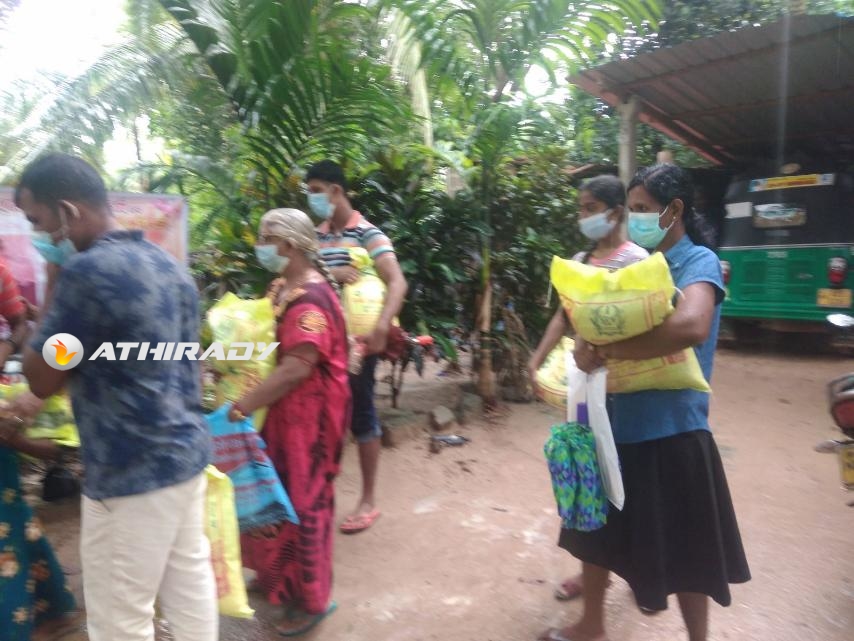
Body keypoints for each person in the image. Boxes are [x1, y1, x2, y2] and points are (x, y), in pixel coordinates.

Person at [539, 164, 750, 641]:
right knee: (596, 533)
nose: (633, 218)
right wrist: (583, 348)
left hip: (672, 429)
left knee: (688, 551)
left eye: (641, 209)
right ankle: (592, 624)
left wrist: (608, 348)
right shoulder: (634, 265)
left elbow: (692, 325)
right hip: (613, 422)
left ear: (674, 210)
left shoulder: (698, 262)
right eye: (631, 209)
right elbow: (587, 318)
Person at [16, 153, 218, 641]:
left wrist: (53, 278)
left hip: (130, 475)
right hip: (185, 459)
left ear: (68, 212)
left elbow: (42, 376)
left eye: (38, 222)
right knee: (190, 593)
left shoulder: (86, 275)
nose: (38, 236)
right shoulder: (167, 267)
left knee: (119, 620)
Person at [527, 175, 647, 602]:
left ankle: (636, 572)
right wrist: (536, 359)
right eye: (580, 208)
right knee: (587, 479)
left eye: (590, 208)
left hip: (623, 391)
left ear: (616, 212)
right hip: (582, 387)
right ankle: (592, 572)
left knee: (626, 482)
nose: (582, 216)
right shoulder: (579, 260)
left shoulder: (638, 261)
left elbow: (646, 323)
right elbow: (563, 316)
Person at [231, 208, 350, 636]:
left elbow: (298, 367)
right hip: (281, 412)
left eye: (266, 238)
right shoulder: (282, 287)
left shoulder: (311, 300)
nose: (260, 246)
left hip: (308, 421)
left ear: (289, 244)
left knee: (304, 502)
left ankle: (312, 599)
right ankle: (278, 577)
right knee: (272, 493)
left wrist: (243, 404)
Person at [306, 160, 408, 534]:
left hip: (358, 345)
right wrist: (333, 274)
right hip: (318, 344)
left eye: (316, 190)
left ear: (336, 190)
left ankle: (368, 500)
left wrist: (382, 326)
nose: (312, 198)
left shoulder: (368, 233)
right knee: (320, 418)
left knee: (361, 412)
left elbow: (397, 282)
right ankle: (318, 495)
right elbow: (307, 279)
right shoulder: (314, 237)